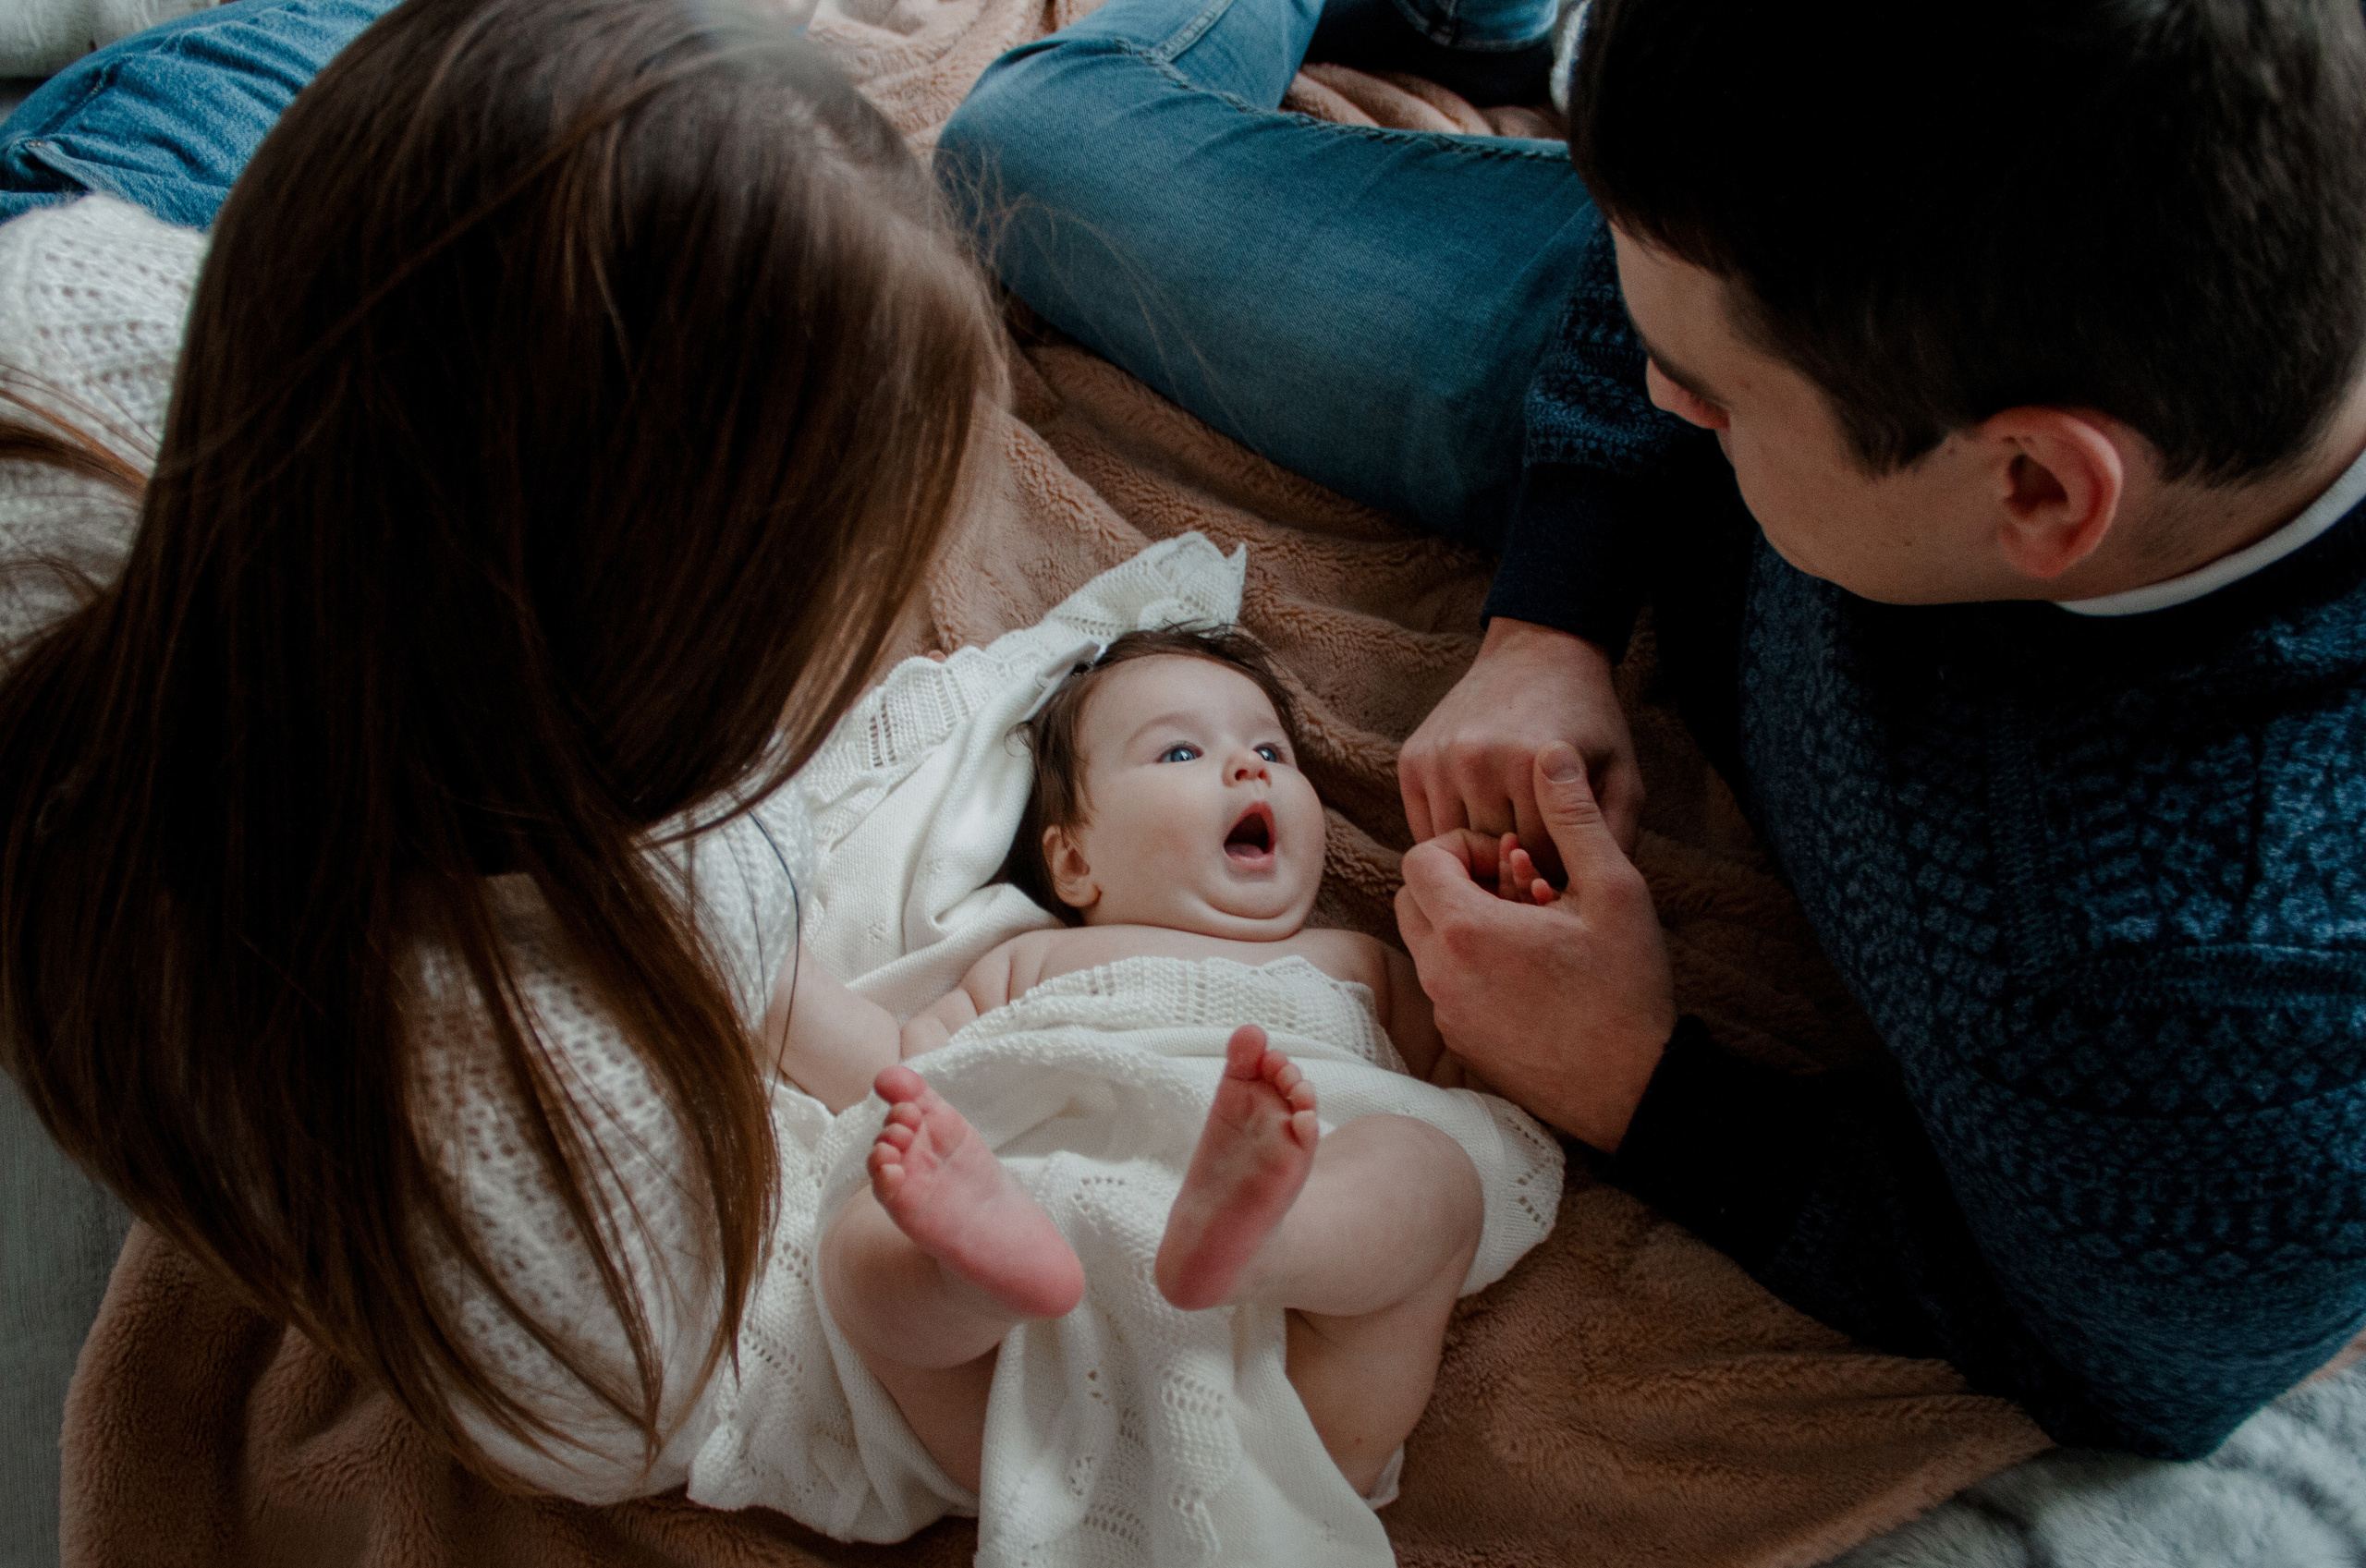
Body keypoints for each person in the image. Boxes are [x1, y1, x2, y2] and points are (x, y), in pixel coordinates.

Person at [934, 0, 2366, 1457]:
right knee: (1013, 152)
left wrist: (1646, 1086)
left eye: (1717, 395)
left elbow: (2115, 1364)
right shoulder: (1742, 343)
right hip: (1769, 368)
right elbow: (1649, 322)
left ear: (2041, 495)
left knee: (1027, 140)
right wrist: (1551, 612)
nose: (1659, 396)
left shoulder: (2235, 1024)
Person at [0, 0, 1009, 1511]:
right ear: (661, 680)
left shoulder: (165, 393)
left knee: (578, 97)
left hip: (116, 221)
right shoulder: (564, 1169)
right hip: (159, 231)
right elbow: (630, 1417)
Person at [771, 627, 1512, 1502]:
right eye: (1183, 749)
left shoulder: (1361, 962)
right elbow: (903, 1069)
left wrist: (1494, 924)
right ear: (1075, 861)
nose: (1249, 768)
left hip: (1301, 1367)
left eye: (1270, 747)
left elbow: (1482, 1067)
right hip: (1023, 1368)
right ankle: (967, 1276)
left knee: (1430, 1170)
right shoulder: (1028, 960)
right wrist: (769, 972)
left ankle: (1275, 1241)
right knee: (864, 1242)